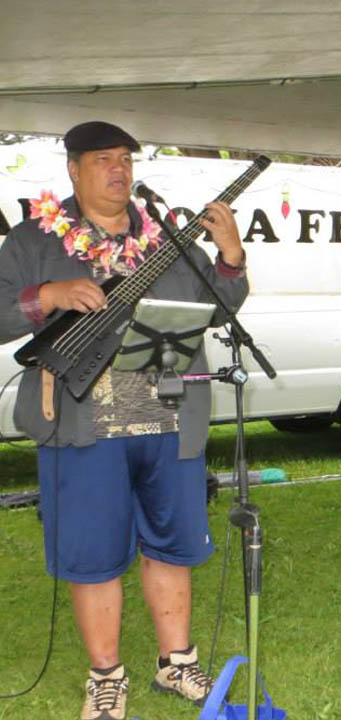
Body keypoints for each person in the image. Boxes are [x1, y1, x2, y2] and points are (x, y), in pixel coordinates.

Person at [0, 121, 248, 720]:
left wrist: (232, 254)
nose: (120, 170)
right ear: (73, 170)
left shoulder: (165, 236)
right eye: (104, 159)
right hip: (81, 427)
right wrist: (50, 296)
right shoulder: (35, 239)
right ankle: (106, 676)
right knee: (93, 554)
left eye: (126, 160)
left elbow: (223, 304)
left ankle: (177, 663)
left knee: (173, 546)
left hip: (170, 422)